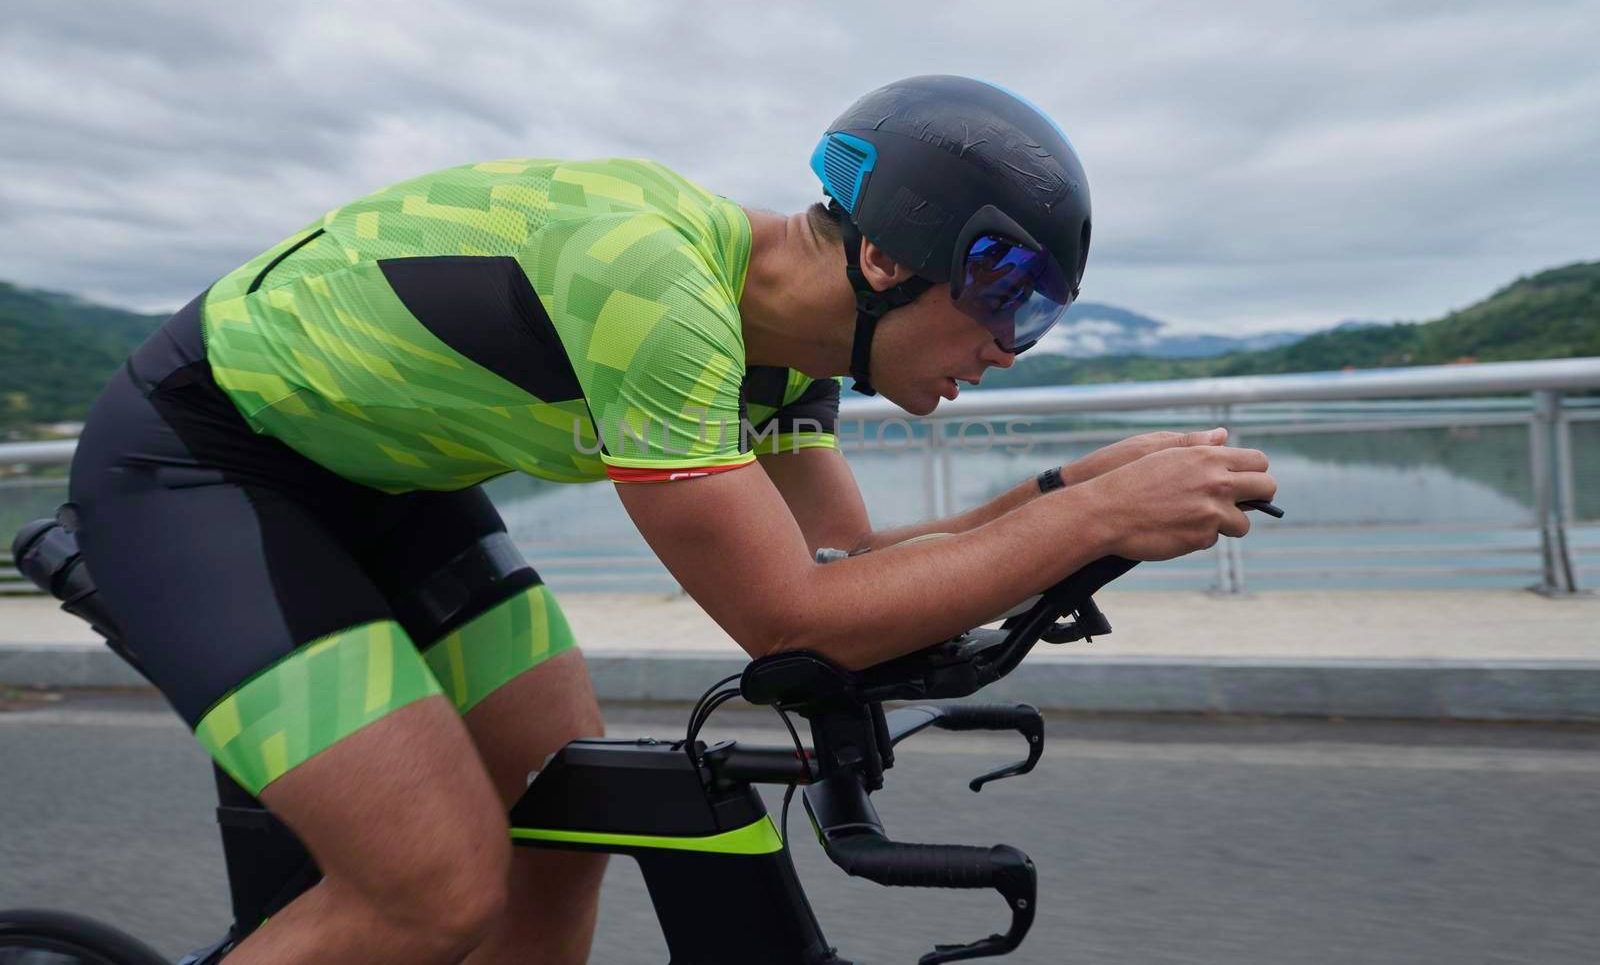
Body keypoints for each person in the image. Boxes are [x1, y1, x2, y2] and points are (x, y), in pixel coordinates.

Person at [66, 74, 1274, 964]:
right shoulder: (656, 286)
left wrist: (1072, 495)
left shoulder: (785, 357)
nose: (1008, 352)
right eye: (1008, 305)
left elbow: (846, 567)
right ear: (892, 262)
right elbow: (793, 617)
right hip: (202, 464)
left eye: (1043, 321)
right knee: (429, 892)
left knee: (562, 801)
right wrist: (1088, 516)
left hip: (389, 489)